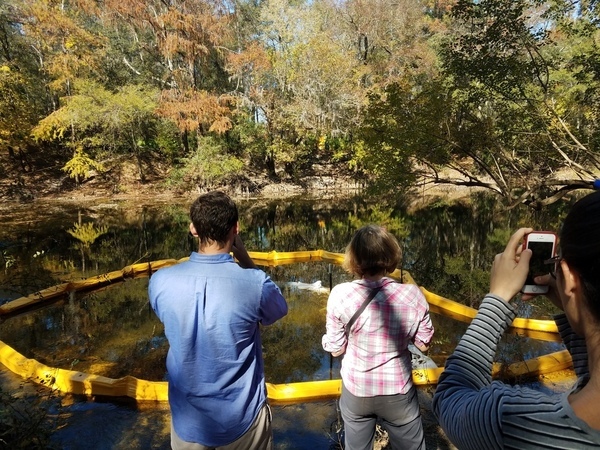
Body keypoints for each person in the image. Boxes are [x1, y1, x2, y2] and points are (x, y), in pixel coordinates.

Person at [432, 190, 600, 449]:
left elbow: (450, 395)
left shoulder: (511, 421)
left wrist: (497, 298)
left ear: (568, 277)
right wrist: (574, 302)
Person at [148, 191, 288, 450]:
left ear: (193, 229)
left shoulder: (160, 281)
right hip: (243, 420)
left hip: (187, 421)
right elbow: (278, 309)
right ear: (236, 229)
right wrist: (245, 258)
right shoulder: (255, 284)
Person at [322, 224, 434, 450]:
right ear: (390, 256)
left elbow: (335, 348)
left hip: (356, 390)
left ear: (354, 258)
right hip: (398, 390)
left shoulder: (340, 294)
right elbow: (424, 344)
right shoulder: (412, 294)